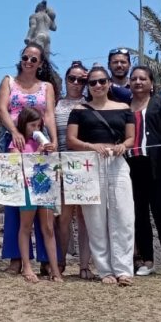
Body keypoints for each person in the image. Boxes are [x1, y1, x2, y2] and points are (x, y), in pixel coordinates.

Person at [66, 66, 136, 286]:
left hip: (117, 163)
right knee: (95, 219)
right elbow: (71, 140)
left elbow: (131, 138)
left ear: (108, 83)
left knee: (124, 216)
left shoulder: (124, 108)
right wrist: (91, 146)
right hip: (90, 164)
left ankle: (123, 269)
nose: (98, 86)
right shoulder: (79, 110)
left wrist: (122, 147)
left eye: (102, 81)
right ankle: (104, 269)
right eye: (93, 82)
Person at [0, 43, 58, 275]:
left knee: (43, 201)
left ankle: (45, 258)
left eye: (34, 59)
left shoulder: (47, 87)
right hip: (14, 144)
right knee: (15, 202)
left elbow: (49, 114)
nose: (28, 62)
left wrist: (53, 141)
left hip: (40, 146)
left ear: (40, 63)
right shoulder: (8, 82)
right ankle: (16, 258)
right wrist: (14, 132)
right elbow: (2, 109)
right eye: (25, 57)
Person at [126, 66, 161, 277]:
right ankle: (147, 261)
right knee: (139, 214)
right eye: (134, 79)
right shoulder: (124, 107)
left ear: (151, 83)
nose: (138, 82)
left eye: (142, 78)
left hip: (156, 165)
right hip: (132, 166)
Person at [55, 61, 94, 280]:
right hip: (62, 165)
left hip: (86, 165)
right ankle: (59, 261)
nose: (77, 83)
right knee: (63, 217)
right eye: (73, 79)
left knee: (85, 218)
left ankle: (84, 264)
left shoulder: (91, 105)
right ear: (66, 80)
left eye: (82, 80)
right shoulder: (56, 105)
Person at [15, 107, 62, 283]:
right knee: (26, 227)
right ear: (24, 124)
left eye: (39, 125)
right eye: (32, 125)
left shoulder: (45, 141)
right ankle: (26, 266)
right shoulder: (17, 143)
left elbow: (53, 165)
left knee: (48, 228)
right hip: (27, 188)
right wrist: (37, 153)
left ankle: (55, 269)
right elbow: (15, 164)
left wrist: (50, 151)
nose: (36, 129)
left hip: (46, 187)